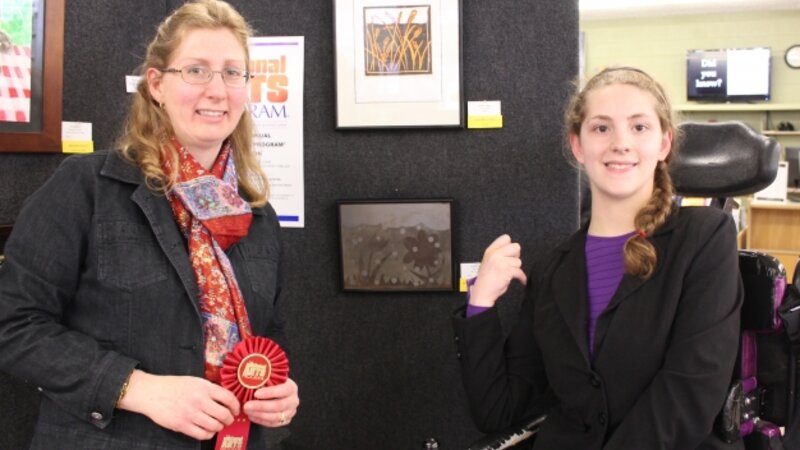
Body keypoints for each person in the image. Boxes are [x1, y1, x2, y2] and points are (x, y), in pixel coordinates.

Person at [0, 1, 299, 448]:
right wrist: (137, 388)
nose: (217, 90)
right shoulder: (87, 187)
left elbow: (268, 335)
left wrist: (278, 392)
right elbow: (13, 324)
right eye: (196, 70)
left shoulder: (257, 215)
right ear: (157, 84)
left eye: (232, 73)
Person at [453, 67, 743, 450]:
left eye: (639, 127)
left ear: (664, 144)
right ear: (578, 146)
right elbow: (497, 412)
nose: (620, 143)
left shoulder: (704, 237)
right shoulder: (553, 269)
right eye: (601, 128)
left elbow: (689, 396)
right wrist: (481, 305)